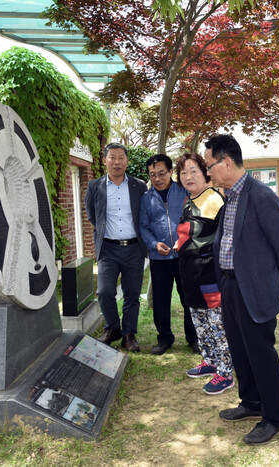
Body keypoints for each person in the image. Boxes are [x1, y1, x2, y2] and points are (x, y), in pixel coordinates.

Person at [204, 134, 279, 445]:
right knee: (240, 348)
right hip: (230, 285)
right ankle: (252, 403)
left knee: (260, 352)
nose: (208, 173)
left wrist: (276, 275)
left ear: (225, 163)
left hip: (254, 287)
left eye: (209, 167)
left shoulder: (260, 195)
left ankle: (274, 417)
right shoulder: (228, 195)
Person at [174, 153, 234, 395]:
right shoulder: (190, 200)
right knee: (199, 319)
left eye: (193, 171)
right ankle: (209, 361)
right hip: (190, 273)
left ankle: (225, 372)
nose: (188, 177)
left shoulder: (214, 200)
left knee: (216, 322)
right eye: (183, 172)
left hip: (209, 273)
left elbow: (226, 237)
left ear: (205, 173)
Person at [85, 142, 147, 352]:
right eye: (112, 157)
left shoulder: (139, 186)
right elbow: (94, 216)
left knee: (132, 293)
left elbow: (144, 215)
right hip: (108, 249)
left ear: (127, 161)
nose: (117, 162)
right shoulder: (95, 186)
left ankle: (129, 334)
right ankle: (113, 328)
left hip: (134, 248)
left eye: (121, 157)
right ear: (105, 161)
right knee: (104, 291)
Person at [140, 154, 199, 355]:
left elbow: (193, 220)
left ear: (171, 172)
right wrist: (155, 244)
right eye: (152, 174)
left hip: (184, 256)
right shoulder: (146, 199)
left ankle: (194, 338)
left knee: (188, 298)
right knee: (161, 300)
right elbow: (144, 227)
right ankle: (164, 338)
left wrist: (183, 240)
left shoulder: (184, 192)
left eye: (161, 173)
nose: (157, 178)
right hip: (159, 258)